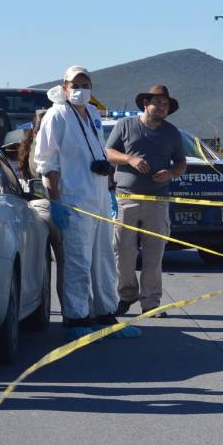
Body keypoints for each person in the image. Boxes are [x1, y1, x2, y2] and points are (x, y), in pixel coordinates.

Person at [33, 65, 137, 340]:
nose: (81, 90)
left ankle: (105, 314)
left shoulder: (91, 113)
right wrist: (55, 200)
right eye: (75, 85)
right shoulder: (56, 116)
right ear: (64, 86)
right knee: (78, 261)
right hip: (73, 199)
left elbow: (98, 152)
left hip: (99, 197)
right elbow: (47, 161)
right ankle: (76, 318)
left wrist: (110, 189)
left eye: (85, 85)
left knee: (104, 259)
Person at [105, 85, 187, 316]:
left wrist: (170, 173)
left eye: (165, 104)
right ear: (145, 104)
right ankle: (126, 296)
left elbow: (181, 163)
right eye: (157, 102)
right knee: (123, 252)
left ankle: (151, 303)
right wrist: (129, 159)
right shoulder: (125, 125)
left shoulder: (172, 132)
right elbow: (108, 153)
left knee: (154, 255)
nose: (161, 107)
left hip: (158, 201)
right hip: (126, 199)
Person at [16, 109, 65, 310]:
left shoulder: (30, 146)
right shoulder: (47, 150)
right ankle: (71, 313)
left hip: (35, 208)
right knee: (68, 264)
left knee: (40, 265)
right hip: (53, 206)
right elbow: (51, 175)